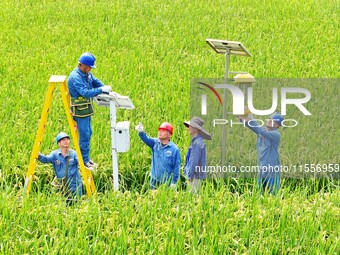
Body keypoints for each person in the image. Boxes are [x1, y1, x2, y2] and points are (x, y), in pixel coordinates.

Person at [68, 52, 113, 170]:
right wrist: (101, 90)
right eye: (89, 67)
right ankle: (83, 161)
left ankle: (86, 158)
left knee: (88, 133)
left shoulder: (87, 74)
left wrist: (107, 90)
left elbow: (95, 82)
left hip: (86, 109)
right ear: (82, 65)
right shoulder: (76, 77)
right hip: (79, 110)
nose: (90, 70)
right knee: (84, 134)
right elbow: (85, 92)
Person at [238, 112, 284, 195]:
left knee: (274, 194)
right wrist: (242, 118)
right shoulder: (262, 132)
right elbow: (255, 128)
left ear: (277, 126)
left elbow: (260, 130)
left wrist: (251, 118)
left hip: (272, 169)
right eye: (270, 119)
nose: (270, 121)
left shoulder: (276, 134)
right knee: (260, 193)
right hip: (261, 167)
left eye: (274, 121)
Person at [38, 132, 83, 203]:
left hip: (74, 184)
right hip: (61, 185)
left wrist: (83, 162)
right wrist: (39, 156)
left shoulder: (74, 153)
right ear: (59, 143)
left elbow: (80, 160)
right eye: (63, 140)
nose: (66, 141)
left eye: (67, 139)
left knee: (77, 202)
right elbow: (46, 159)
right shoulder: (55, 154)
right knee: (62, 202)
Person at [136, 122, 181, 190]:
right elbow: (146, 139)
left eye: (163, 131)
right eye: (159, 130)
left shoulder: (174, 149)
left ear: (169, 134)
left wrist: (174, 182)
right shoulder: (155, 143)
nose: (160, 132)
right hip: (154, 180)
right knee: (153, 199)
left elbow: (176, 167)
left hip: (166, 182)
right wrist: (141, 132)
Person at [184, 116, 211, 194]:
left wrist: (190, 176)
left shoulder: (197, 143)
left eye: (190, 126)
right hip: (195, 176)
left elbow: (193, 161)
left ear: (196, 128)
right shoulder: (198, 141)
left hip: (194, 177)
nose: (188, 128)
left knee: (192, 197)